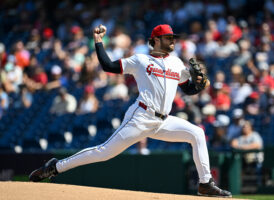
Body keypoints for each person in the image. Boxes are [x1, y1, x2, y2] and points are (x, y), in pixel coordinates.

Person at [29, 24, 231, 197]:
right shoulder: (140, 60)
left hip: (163, 121)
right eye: (168, 37)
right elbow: (108, 66)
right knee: (104, 152)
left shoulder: (177, 62)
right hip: (140, 117)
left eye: (173, 37)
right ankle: (55, 167)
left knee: (196, 133)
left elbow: (187, 89)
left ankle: (205, 184)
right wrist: (99, 41)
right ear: (156, 40)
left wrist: (198, 84)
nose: (172, 40)